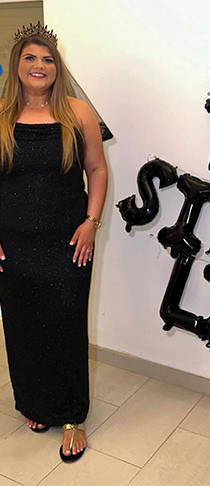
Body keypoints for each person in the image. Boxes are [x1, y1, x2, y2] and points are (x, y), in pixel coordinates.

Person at [0, 23, 108, 463]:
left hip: (69, 240)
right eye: (30, 58)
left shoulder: (78, 112)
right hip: (13, 243)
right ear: (17, 65)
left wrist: (91, 222)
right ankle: (36, 403)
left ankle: (71, 416)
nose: (39, 66)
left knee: (65, 325)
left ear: (57, 68)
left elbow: (97, 171)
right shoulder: (1, 115)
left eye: (47, 59)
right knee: (23, 326)